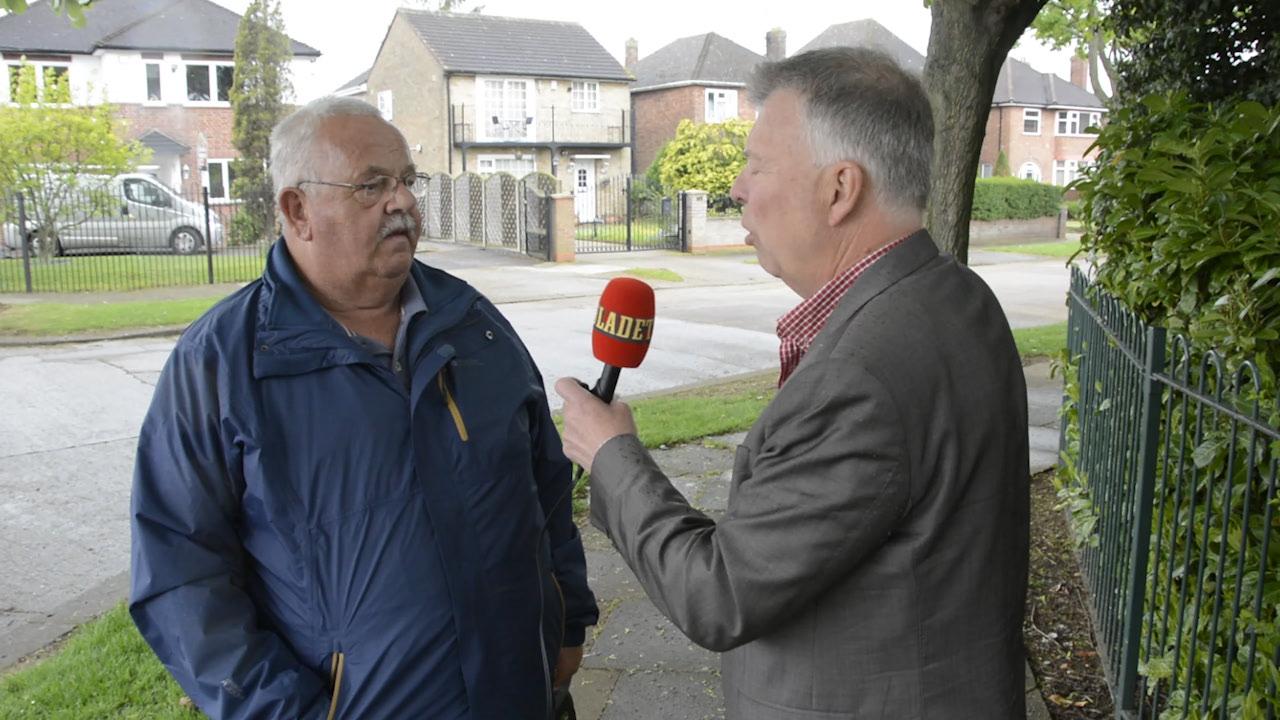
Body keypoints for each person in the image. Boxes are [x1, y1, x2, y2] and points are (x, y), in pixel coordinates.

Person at [555, 47, 1029, 719]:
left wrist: (611, 456)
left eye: (756, 165)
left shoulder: (857, 376)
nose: (738, 189)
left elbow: (718, 595)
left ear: (840, 189)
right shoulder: (956, 295)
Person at [130, 96, 597, 719]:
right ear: (298, 210)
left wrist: (567, 623)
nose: (402, 201)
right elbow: (180, 577)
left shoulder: (471, 321)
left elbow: (546, 489)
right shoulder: (219, 363)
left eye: (407, 180)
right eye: (372, 185)